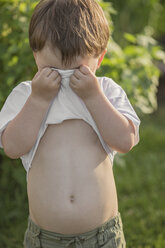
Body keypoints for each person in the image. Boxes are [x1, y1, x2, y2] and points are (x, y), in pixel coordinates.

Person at [0, 0, 140, 247]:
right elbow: (12, 147)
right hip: (46, 240)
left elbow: (125, 140)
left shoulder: (105, 91)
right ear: (36, 54)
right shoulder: (27, 95)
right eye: (52, 70)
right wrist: (39, 99)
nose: (64, 82)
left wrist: (93, 96)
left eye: (76, 72)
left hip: (102, 237)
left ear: (100, 58)